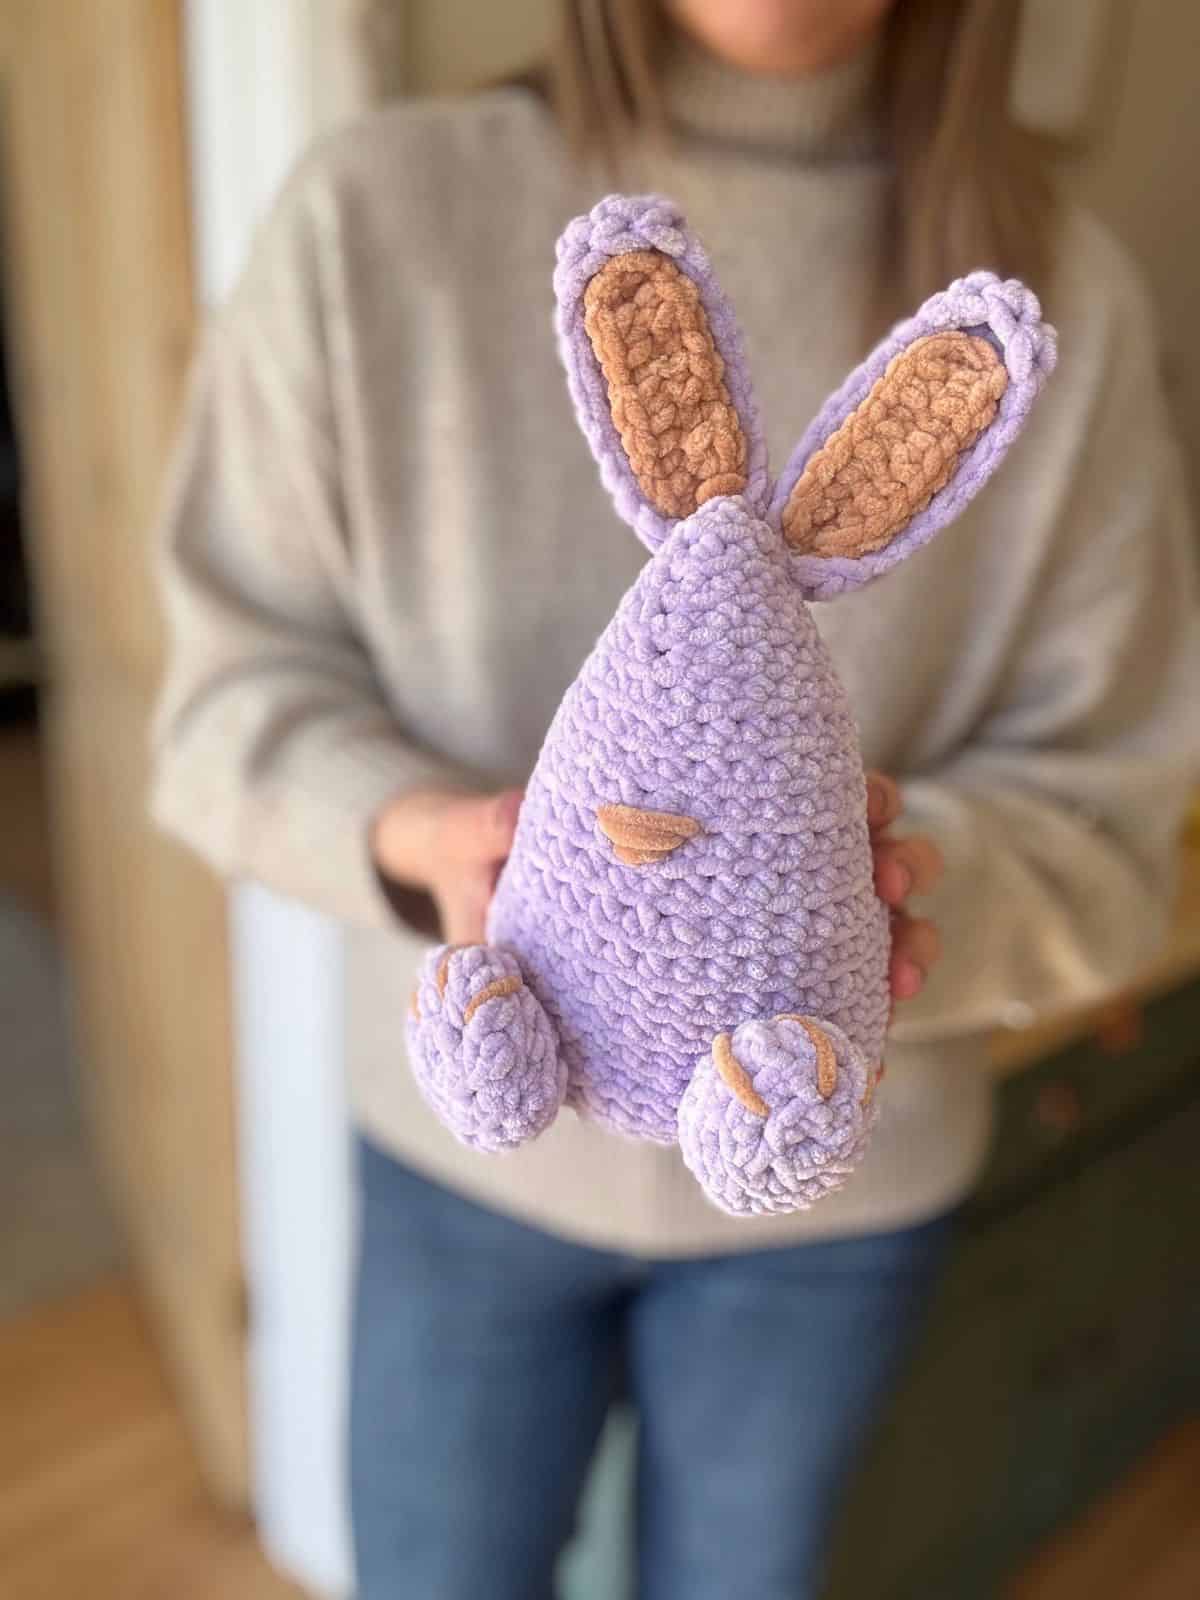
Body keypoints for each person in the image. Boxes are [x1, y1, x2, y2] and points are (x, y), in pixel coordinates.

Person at [150, 1, 1200, 1594]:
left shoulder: (1066, 314)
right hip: (465, 1157)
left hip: (835, 1198)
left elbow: (1120, 829)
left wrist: (878, 902)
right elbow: (221, 702)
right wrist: (431, 845)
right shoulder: (373, 217)